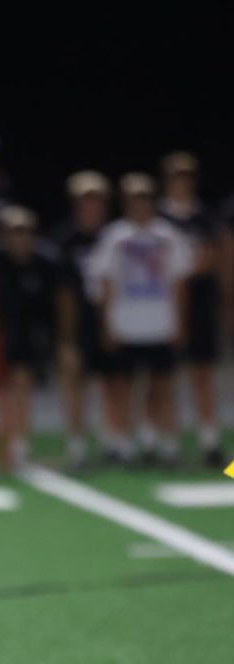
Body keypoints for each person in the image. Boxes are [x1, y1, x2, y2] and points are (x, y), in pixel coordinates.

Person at [90, 173, 192, 466]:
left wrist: (180, 322)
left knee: (162, 387)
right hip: (126, 323)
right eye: (135, 199)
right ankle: (122, 443)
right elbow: (106, 281)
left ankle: (164, 442)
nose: (141, 205)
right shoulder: (115, 236)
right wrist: (107, 324)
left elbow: (178, 282)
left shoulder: (167, 234)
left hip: (160, 322)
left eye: (145, 198)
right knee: (122, 387)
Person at [0, 206, 74, 468]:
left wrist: (65, 340)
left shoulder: (47, 261)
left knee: (40, 382)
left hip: (41, 331)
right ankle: (15, 441)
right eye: (13, 232)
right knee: (13, 385)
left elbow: (64, 301)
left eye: (25, 231)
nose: (20, 237)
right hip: (4, 334)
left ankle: (66, 441)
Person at [159, 152, 225, 467]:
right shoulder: (159, 218)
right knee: (165, 375)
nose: (182, 182)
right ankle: (167, 442)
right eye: (176, 176)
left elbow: (215, 256)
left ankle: (209, 441)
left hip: (200, 301)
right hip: (163, 304)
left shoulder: (205, 217)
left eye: (187, 176)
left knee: (202, 372)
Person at [55, 171, 113, 467]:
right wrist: (67, 339)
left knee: (115, 382)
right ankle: (77, 445)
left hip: (115, 320)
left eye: (96, 200)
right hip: (81, 322)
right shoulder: (66, 241)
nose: (90, 206)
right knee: (78, 383)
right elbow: (64, 294)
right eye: (84, 200)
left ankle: (115, 442)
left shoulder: (116, 236)